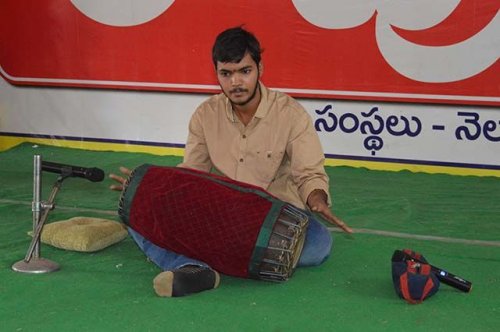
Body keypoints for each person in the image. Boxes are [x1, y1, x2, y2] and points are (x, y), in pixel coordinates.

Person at [110, 26, 353, 298]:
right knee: (137, 215)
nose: (236, 83)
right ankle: (191, 268)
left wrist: (316, 199)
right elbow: (191, 175)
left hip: (271, 222)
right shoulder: (205, 115)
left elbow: (309, 173)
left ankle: (207, 257)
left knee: (319, 246)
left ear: (260, 68)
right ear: (217, 73)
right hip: (220, 214)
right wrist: (148, 190)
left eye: (244, 71)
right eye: (226, 74)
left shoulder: (291, 115)